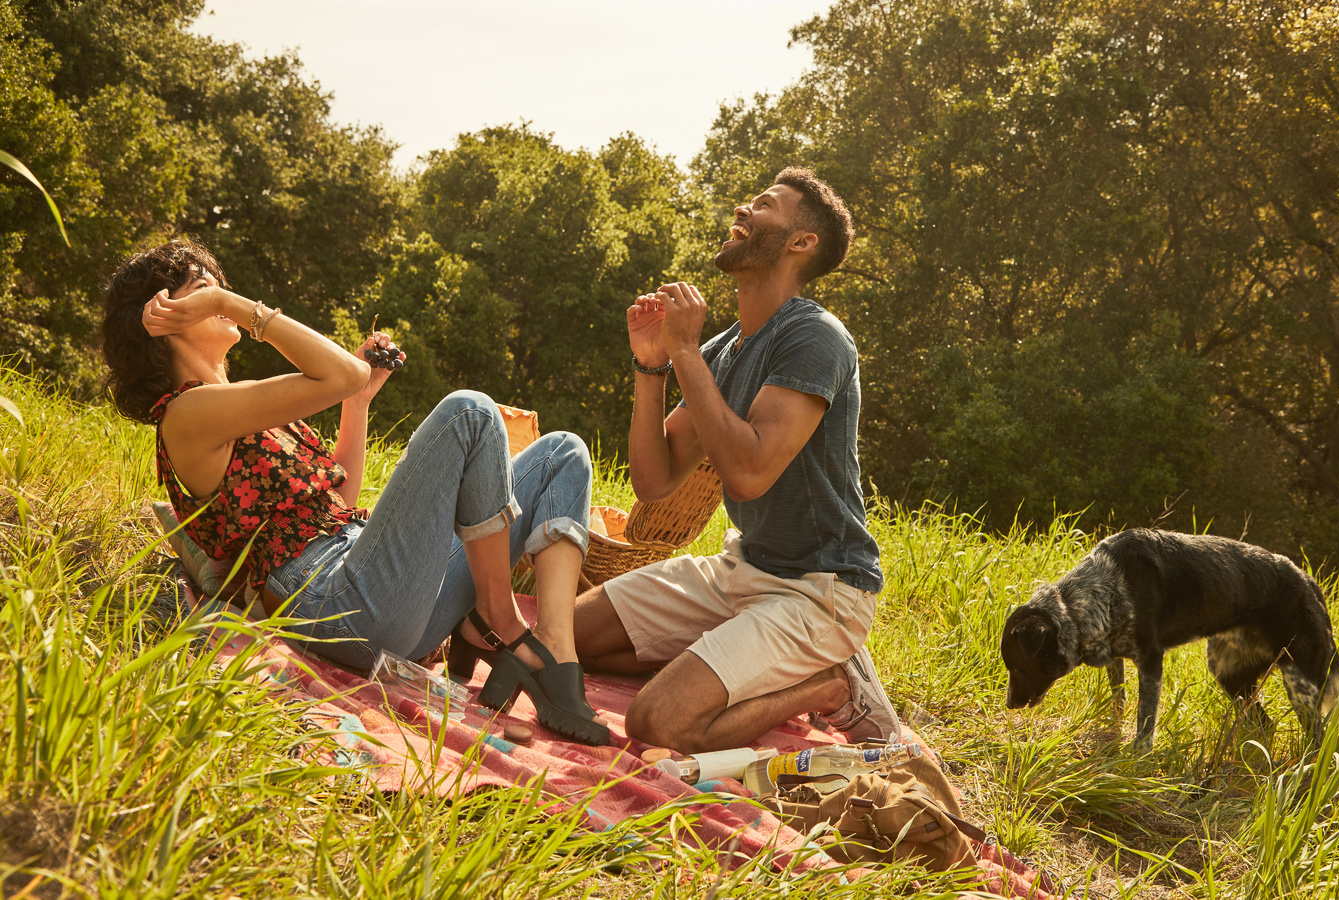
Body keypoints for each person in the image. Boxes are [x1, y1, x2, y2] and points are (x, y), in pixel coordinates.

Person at [101, 239, 608, 746]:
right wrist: (233, 306)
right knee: (469, 413)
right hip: (333, 603)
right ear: (166, 316)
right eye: (204, 291)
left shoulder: (243, 405)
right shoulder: (184, 415)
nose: (223, 295)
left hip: (378, 590)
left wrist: (359, 403)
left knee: (561, 453)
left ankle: (552, 643)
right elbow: (342, 372)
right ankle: (503, 623)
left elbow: (338, 501)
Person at [573, 168, 900, 754]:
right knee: (564, 636)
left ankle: (828, 686)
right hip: (741, 571)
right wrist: (652, 366)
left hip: (819, 591)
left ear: (802, 242)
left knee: (659, 723)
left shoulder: (816, 338)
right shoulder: (723, 352)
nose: (744, 209)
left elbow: (749, 474)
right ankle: (730, 660)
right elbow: (653, 483)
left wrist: (681, 349)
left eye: (765, 205)